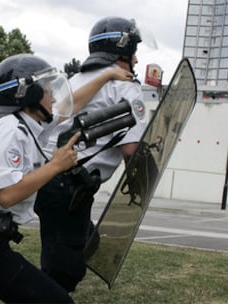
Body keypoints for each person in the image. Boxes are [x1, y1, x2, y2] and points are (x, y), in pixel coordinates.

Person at [0, 53, 133, 304]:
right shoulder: (10, 130)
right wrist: (55, 166)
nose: (53, 97)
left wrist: (107, 74)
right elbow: (6, 195)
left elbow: (71, 107)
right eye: (47, 90)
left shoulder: (27, 125)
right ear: (26, 94)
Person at [34, 16, 148, 292]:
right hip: (68, 185)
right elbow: (132, 150)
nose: (135, 58)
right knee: (63, 272)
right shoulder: (125, 87)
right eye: (133, 50)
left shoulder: (75, 80)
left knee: (84, 241)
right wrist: (144, 184)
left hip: (49, 181)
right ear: (122, 51)